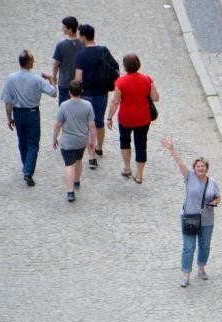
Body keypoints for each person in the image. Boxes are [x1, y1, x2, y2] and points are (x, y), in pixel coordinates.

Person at [161, 139, 221, 288]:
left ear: (206, 168)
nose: (200, 168)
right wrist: (172, 148)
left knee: (205, 245)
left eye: (203, 166)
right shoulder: (189, 177)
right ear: (194, 168)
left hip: (207, 218)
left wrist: (214, 202)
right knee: (188, 247)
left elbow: (218, 196)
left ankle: (201, 268)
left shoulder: (212, 182)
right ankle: (186, 274)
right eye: (198, 166)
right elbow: (180, 163)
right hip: (189, 217)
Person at [1, 50, 57, 187]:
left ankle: (26, 166)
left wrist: (9, 118)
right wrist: (51, 79)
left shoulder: (11, 78)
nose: (34, 61)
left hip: (18, 114)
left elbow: (8, 102)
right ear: (28, 63)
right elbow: (54, 93)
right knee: (33, 144)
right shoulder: (37, 79)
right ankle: (28, 171)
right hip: (32, 113)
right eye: (32, 60)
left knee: (22, 142)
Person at [106, 54, 160, 184]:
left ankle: (127, 168)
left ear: (125, 66)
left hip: (126, 118)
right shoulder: (147, 79)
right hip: (143, 118)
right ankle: (139, 175)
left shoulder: (120, 82)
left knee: (125, 141)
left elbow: (115, 102)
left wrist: (109, 118)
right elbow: (155, 98)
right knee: (141, 144)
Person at [75, 24, 117, 167]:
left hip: (86, 94)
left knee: (88, 124)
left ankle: (91, 155)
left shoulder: (81, 55)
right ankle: (99, 148)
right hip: (102, 92)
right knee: (99, 121)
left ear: (84, 37)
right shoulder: (103, 50)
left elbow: (78, 78)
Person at [52, 80, 97, 202]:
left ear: (69, 92)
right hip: (82, 140)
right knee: (78, 160)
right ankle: (76, 181)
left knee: (69, 164)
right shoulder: (87, 105)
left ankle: (70, 191)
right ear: (82, 91)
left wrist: (54, 138)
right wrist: (93, 140)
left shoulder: (64, 106)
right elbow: (92, 125)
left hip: (68, 141)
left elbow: (58, 124)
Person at [52, 16, 84, 105]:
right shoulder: (83, 43)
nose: (62, 29)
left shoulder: (61, 45)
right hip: (80, 83)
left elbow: (56, 65)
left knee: (64, 108)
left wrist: (54, 78)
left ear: (69, 30)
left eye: (64, 27)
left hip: (65, 83)